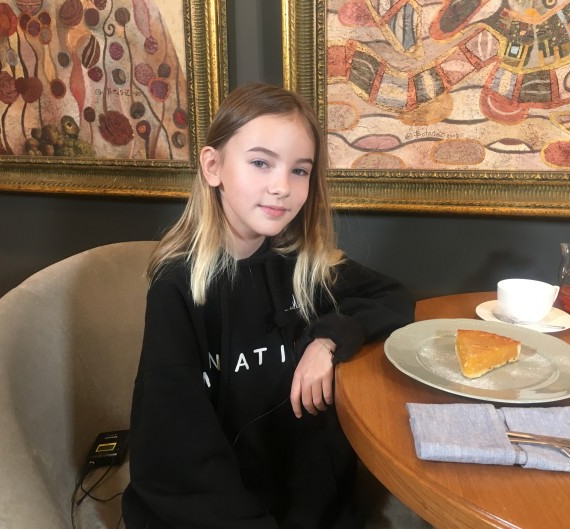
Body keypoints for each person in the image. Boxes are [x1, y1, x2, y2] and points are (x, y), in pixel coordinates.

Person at [122, 83, 414, 528]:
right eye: (261, 163)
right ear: (213, 166)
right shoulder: (177, 289)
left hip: (312, 508)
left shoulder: (302, 263)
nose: (282, 187)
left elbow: (392, 297)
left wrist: (327, 340)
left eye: (299, 170)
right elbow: (179, 454)